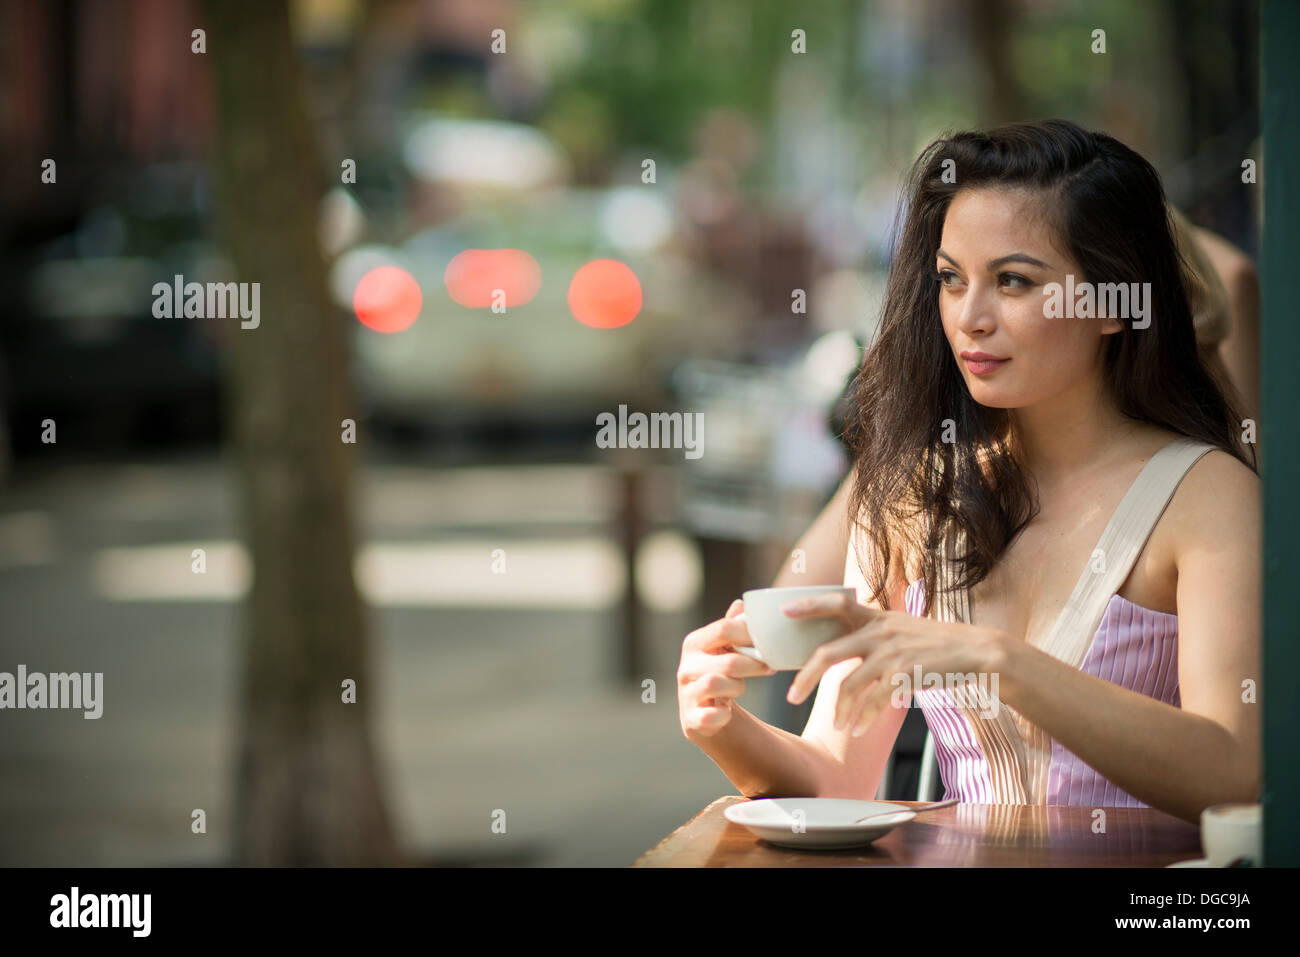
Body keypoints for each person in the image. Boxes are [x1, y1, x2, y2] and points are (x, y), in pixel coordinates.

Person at [676, 119, 1260, 825]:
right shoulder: (915, 493)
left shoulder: (1207, 496)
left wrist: (995, 661)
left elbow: (1235, 770)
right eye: (951, 279)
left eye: (1013, 280)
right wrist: (722, 727)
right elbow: (836, 774)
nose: (970, 318)